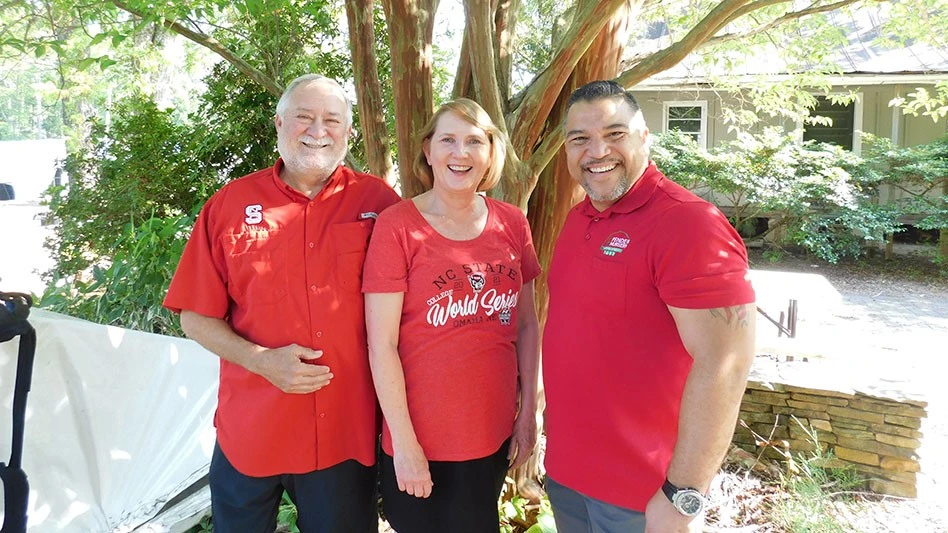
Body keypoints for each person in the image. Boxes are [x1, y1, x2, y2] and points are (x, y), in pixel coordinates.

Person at [163, 74, 400, 533]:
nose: (318, 130)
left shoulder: (379, 203)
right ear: (279, 123)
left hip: (343, 435)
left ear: (349, 132)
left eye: (332, 120)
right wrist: (261, 361)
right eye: (304, 117)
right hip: (252, 431)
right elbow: (195, 316)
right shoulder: (230, 205)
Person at [542, 80, 757, 533]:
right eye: (580, 139)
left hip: (644, 495)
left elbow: (726, 362)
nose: (597, 151)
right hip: (568, 478)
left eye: (614, 134)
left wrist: (683, 494)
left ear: (644, 138)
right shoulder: (579, 218)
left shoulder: (687, 223)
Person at [362, 98, 541, 532]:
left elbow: (526, 324)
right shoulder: (397, 226)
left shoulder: (512, 223)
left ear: (491, 153)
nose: (461, 153)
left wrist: (527, 415)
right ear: (428, 150)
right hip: (420, 440)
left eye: (475, 141)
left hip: (490, 436)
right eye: (448, 140)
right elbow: (381, 344)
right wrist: (404, 444)